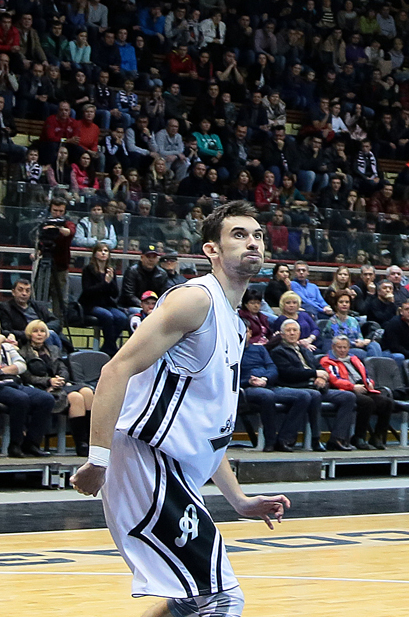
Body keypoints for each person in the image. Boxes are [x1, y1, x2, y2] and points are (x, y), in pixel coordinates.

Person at [69, 201, 289, 617]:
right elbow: (116, 369)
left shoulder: (236, 325)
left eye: (257, 235)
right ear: (212, 250)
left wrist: (238, 500)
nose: (252, 242)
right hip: (147, 459)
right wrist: (98, 459)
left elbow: (212, 428)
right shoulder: (195, 300)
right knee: (222, 598)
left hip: (175, 468)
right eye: (238, 235)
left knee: (190, 600)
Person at [269, 318, 356, 452]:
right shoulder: (278, 351)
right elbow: (288, 373)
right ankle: (306, 439)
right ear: (282, 334)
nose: (292, 333)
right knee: (313, 395)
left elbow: (321, 368)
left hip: (315, 386)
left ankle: (337, 439)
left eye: (295, 330)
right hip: (294, 386)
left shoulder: (305, 351)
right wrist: (315, 374)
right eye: (288, 331)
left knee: (348, 397)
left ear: (299, 333)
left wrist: (323, 379)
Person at [20, 319, 95, 455]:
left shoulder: (53, 349)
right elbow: (26, 377)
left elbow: (63, 368)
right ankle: (81, 444)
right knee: (76, 397)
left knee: (87, 392)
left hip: (60, 385)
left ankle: (91, 441)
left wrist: (61, 379)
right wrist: (49, 381)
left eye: (42, 331)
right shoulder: (23, 352)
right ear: (30, 334)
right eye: (36, 331)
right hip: (41, 388)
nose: (39, 334)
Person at [321, 335, 392, 450]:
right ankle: (359, 437)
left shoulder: (354, 358)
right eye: (339, 347)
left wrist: (369, 382)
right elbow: (334, 379)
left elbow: (365, 374)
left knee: (387, 402)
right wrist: (353, 387)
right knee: (367, 402)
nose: (342, 350)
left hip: (362, 388)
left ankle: (377, 436)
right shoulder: (327, 361)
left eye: (345, 347)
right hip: (343, 391)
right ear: (333, 347)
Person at [1, 328, 56, 457]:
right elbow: (16, 367)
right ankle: (15, 444)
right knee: (20, 398)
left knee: (46, 399)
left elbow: (21, 365)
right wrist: (12, 369)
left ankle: (31, 443)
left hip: (14, 383)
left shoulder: (7, 347)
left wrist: (3, 371)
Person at [81, 241, 131, 354]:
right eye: (100, 251)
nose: (103, 253)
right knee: (107, 316)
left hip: (107, 304)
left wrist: (111, 280)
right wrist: (105, 282)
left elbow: (115, 294)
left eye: (106, 251)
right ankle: (111, 348)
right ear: (94, 254)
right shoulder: (88, 270)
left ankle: (108, 346)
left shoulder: (110, 270)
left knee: (122, 318)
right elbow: (88, 291)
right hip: (91, 304)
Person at [0, 277, 67, 353]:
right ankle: (52, 359)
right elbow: (6, 331)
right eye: (20, 290)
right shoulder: (6, 308)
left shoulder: (38, 305)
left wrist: (41, 330)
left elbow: (55, 321)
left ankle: (54, 356)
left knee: (49, 333)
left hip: (47, 336)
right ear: (13, 292)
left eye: (27, 291)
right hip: (25, 341)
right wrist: (31, 332)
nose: (24, 293)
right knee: (49, 334)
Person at [118, 243, 168, 311]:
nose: (151, 260)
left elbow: (163, 295)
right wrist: (144, 306)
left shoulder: (162, 274)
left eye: (154, 257)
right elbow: (129, 295)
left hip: (154, 307)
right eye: (148, 257)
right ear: (142, 257)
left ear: (157, 259)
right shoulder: (132, 271)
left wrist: (154, 306)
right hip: (132, 306)